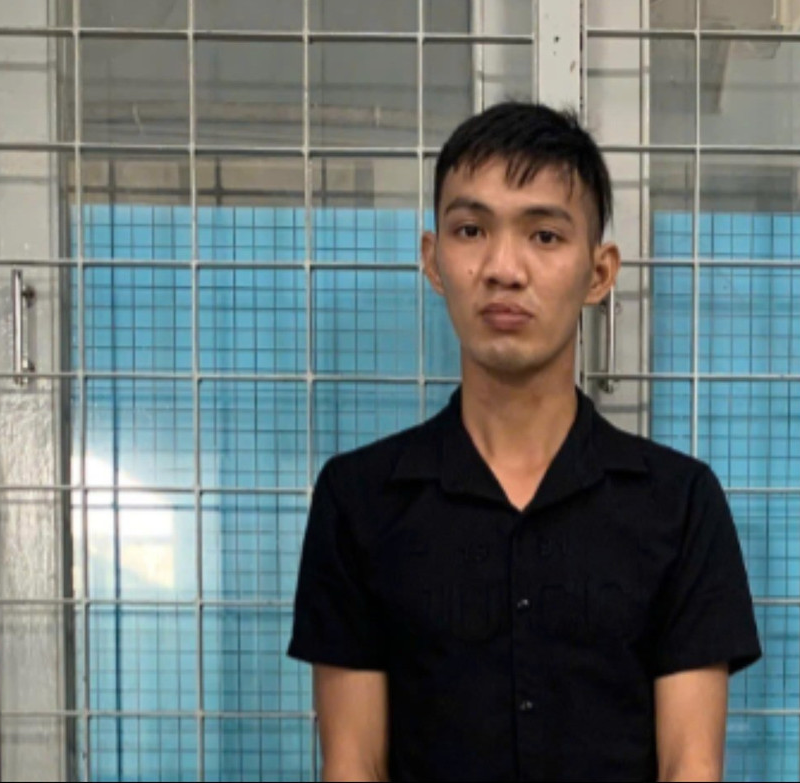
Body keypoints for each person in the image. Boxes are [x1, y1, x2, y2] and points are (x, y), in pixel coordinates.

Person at [287, 101, 762, 782]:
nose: (503, 267)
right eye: (471, 229)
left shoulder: (679, 503)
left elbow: (691, 765)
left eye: (544, 235)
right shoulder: (359, 500)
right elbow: (352, 765)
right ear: (433, 260)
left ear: (599, 273)